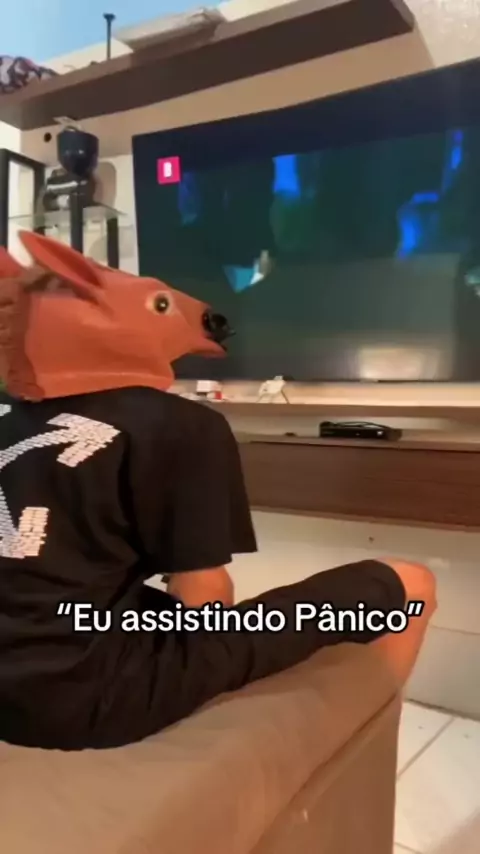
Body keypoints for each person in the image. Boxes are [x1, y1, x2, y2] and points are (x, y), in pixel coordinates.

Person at [0, 232, 436, 750]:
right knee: (409, 583)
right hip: (84, 702)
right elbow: (203, 601)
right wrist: (214, 653)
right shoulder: (181, 424)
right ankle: (359, 747)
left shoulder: (8, 422)